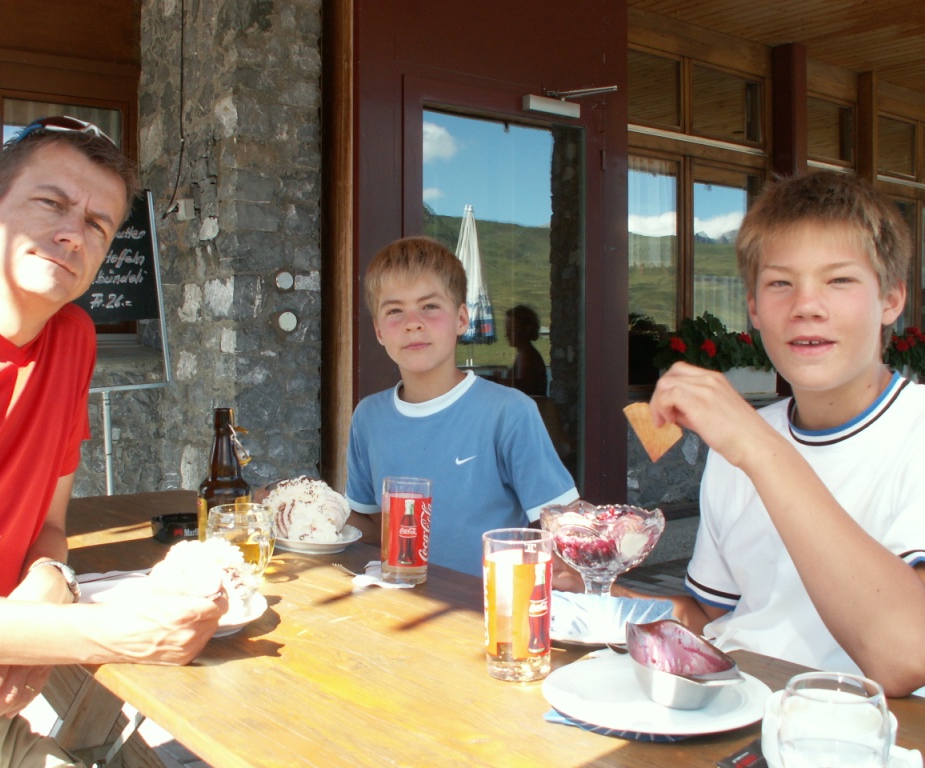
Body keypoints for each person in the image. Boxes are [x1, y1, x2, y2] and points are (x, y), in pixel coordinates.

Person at [0, 117, 227, 768]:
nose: (73, 234)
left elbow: (48, 527)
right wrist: (94, 634)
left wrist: (51, 578)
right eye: (50, 203)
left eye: (98, 224)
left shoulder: (71, 339)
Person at [623, 171, 925, 696]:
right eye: (781, 283)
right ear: (755, 309)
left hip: (859, 724)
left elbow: (906, 656)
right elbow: (711, 619)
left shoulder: (909, 433)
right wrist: (591, 588)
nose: (806, 305)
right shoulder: (743, 442)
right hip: (735, 709)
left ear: (892, 300)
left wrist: (759, 449)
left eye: (839, 280)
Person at [344, 236, 578, 575]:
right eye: (395, 310)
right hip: (398, 599)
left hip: (487, 603)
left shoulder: (508, 412)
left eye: (430, 306)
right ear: (379, 331)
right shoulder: (368, 417)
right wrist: (305, 506)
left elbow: (566, 531)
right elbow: (372, 528)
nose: (412, 322)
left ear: (462, 319)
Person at [497, 304, 548, 398]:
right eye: (507, 329)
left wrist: (496, 381)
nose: (507, 334)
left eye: (512, 330)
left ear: (526, 329)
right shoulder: (526, 353)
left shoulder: (527, 356)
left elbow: (522, 387)